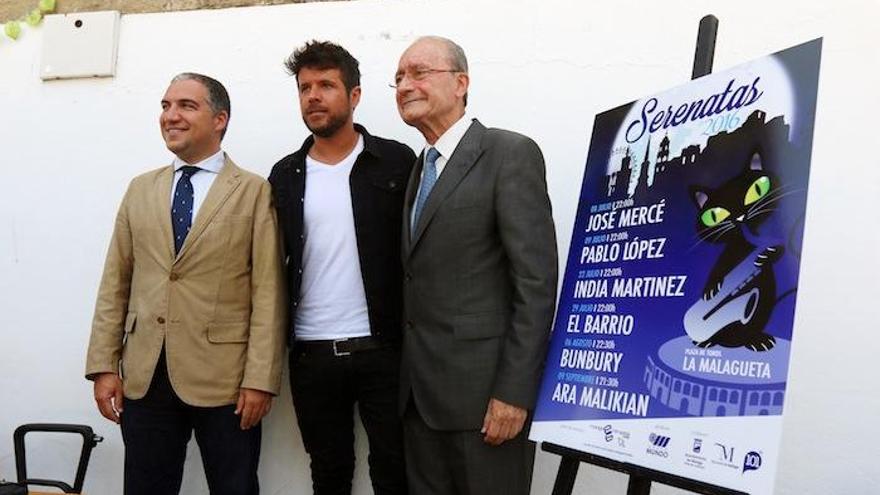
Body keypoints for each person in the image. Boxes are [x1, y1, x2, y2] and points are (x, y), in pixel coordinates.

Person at [85, 73, 286, 495]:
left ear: (220, 119)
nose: (170, 116)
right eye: (165, 105)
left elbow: (268, 292)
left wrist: (260, 378)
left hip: (226, 381)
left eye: (186, 106)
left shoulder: (252, 191)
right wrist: (104, 366)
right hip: (144, 375)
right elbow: (115, 282)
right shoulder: (140, 189)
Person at [393, 36, 558, 494]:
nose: (405, 84)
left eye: (419, 72)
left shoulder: (509, 154)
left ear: (461, 83)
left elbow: (536, 283)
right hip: (419, 402)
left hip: (485, 404)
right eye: (399, 77)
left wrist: (514, 393)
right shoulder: (419, 168)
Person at [268, 41, 414, 495]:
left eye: (326, 85)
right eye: (304, 87)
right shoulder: (285, 174)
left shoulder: (397, 161)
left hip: (384, 348)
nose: (313, 96)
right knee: (328, 472)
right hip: (312, 352)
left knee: (395, 469)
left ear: (354, 96)